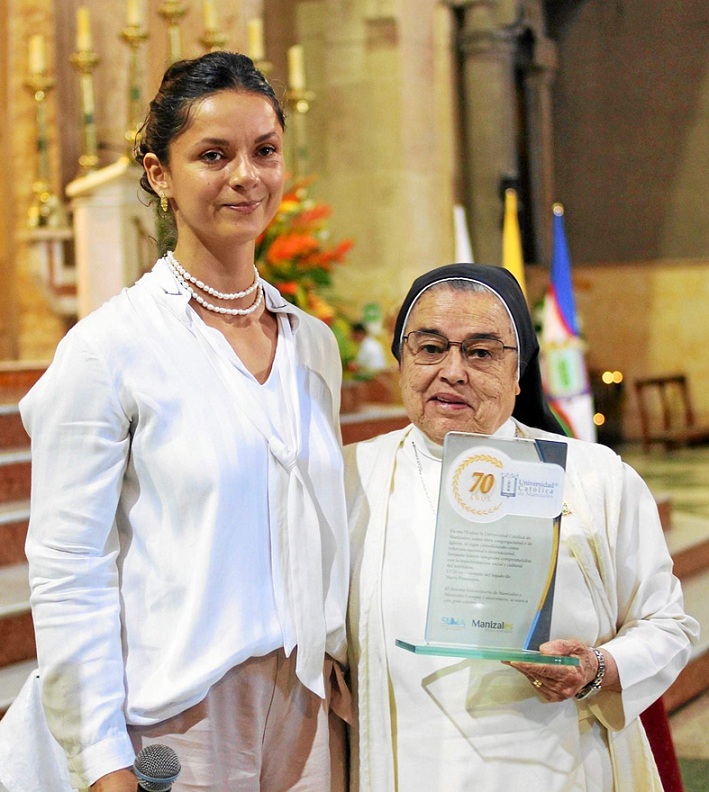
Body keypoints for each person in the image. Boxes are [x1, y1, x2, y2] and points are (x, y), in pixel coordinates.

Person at [20, 51, 350, 792]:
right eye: (213, 155)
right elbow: (70, 569)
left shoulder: (312, 345)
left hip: (306, 706)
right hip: (178, 720)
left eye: (265, 151)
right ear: (159, 174)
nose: (247, 175)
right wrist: (101, 759)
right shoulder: (110, 349)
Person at [344, 263, 698, 791]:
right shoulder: (351, 478)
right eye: (430, 347)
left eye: (481, 351)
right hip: (406, 767)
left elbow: (668, 626)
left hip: (562, 765)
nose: (453, 370)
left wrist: (597, 668)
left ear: (519, 371)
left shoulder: (594, 477)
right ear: (401, 360)